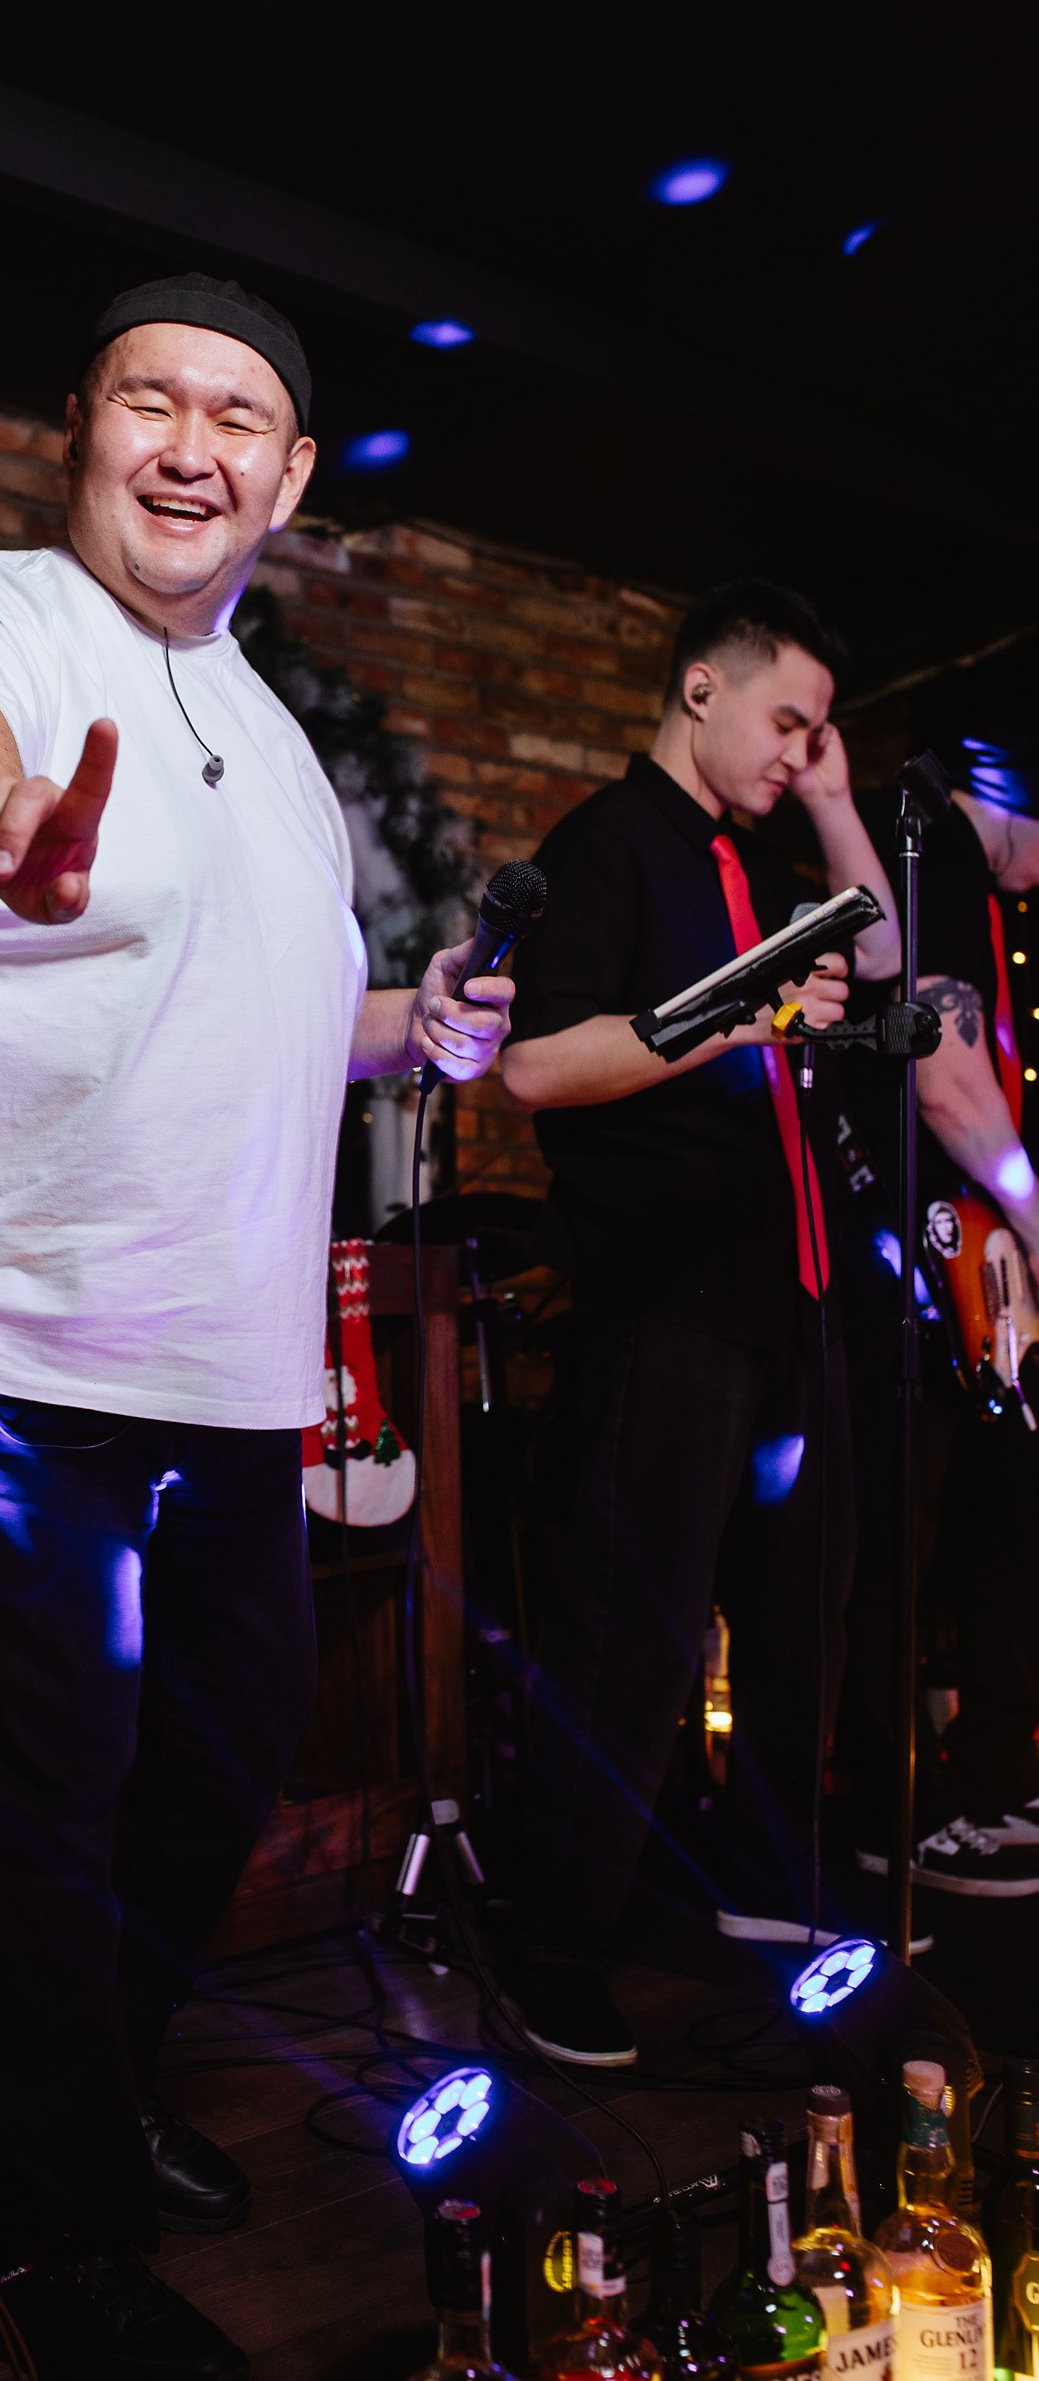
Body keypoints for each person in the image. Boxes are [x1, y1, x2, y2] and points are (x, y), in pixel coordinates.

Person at [0, 272, 513, 2381]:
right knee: (32, 1814)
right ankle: (47, 2242)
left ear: (291, 478)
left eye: (235, 418)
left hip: (228, 1365)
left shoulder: (272, 744)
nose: (188, 446)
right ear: (82, 429)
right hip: (3, 1334)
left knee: (208, 1764)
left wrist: (412, 1024)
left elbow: (257, 1011)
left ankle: (87, 2099)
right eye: (147, 401)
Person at [499, 580, 900, 2070]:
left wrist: (833, 804)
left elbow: (883, 962)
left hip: (787, 1299)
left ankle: (767, 1892)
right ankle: (549, 1949)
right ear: (698, 689)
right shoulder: (604, 847)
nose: (798, 754)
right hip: (662, 1303)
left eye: (815, 735)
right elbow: (534, 1064)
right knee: (633, 1637)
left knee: (800, 1616)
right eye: (785, 722)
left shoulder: (764, 864)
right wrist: (739, 1016)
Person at [835, 652, 1039, 1900]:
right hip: (904, 1257)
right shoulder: (929, 856)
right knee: (893, 1544)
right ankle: (890, 1811)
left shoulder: (973, 879)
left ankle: (982, 1778)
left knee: (990, 1514)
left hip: (963, 1263)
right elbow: (945, 1080)